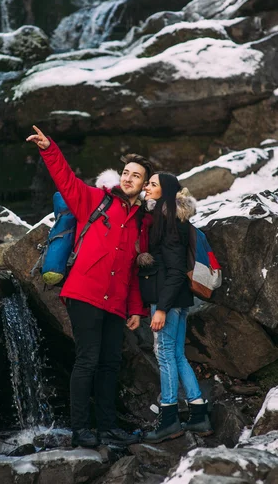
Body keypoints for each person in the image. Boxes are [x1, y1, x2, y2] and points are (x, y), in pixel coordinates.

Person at [27, 125, 153, 448]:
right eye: (125, 173)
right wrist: (48, 148)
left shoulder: (139, 222)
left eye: (135, 176)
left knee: (111, 363)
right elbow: (66, 179)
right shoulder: (94, 200)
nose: (127, 178)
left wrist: (137, 310)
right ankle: (81, 430)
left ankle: (108, 428)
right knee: (88, 360)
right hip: (84, 294)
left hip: (115, 303)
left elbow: (134, 268)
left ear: (142, 185)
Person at [137, 172, 213, 443]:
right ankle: (198, 413)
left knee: (165, 354)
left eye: (152, 184)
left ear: (166, 191)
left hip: (168, 299)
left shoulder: (167, 221)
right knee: (177, 355)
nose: (147, 186)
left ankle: (169, 418)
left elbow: (175, 269)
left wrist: (161, 309)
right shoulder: (172, 218)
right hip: (180, 300)